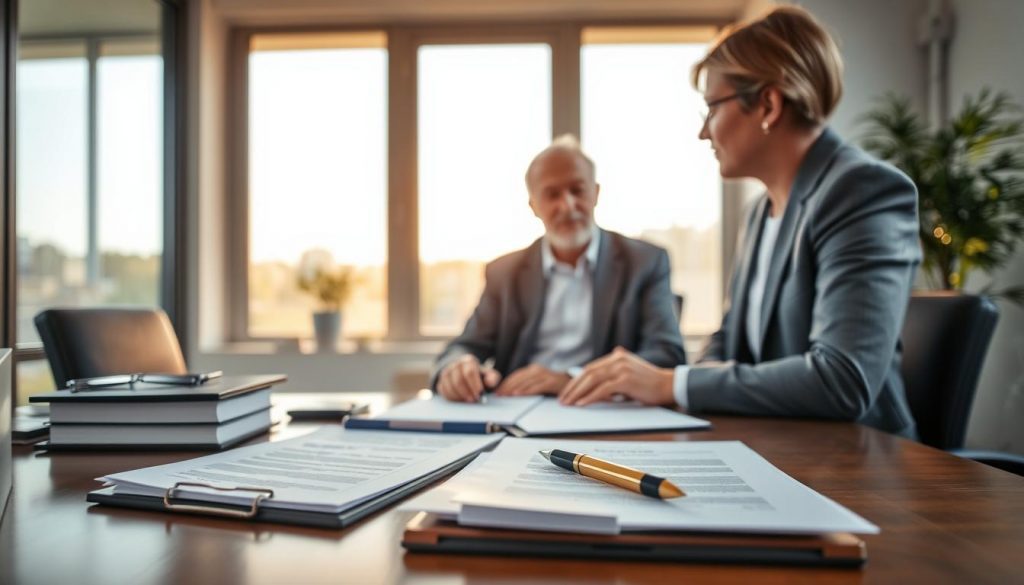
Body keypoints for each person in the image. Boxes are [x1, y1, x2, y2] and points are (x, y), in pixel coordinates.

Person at [557, 6, 921, 437]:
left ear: (768, 103)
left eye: (711, 108)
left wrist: (671, 382)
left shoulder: (861, 191)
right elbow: (730, 341)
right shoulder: (759, 212)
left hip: (856, 466)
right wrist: (673, 388)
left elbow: (842, 379)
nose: (703, 132)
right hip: (779, 446)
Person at [432, 135, 686, 403]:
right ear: (533, 206)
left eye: (577, 190)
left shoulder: (645, 262)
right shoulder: (503, 272)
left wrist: (573, 378)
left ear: (596, 193)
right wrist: (456, 368)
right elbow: (464, 346)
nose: (567, 206)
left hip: (603, 410)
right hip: (515, 411)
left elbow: (666, 354)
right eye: (552, 194)